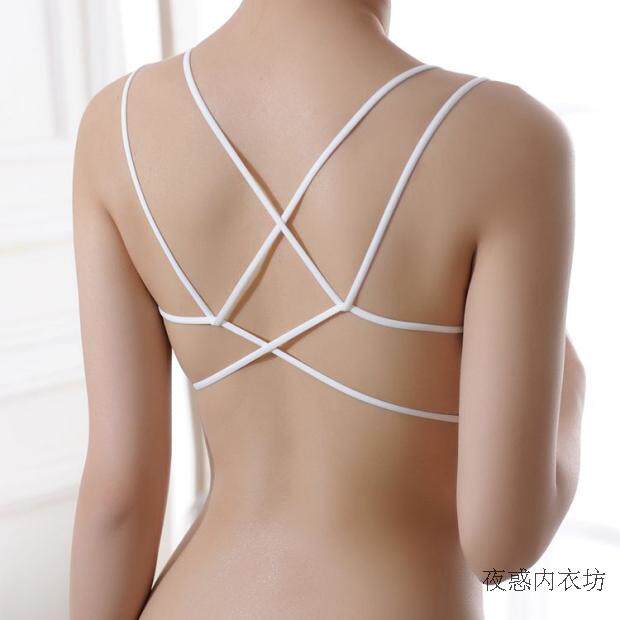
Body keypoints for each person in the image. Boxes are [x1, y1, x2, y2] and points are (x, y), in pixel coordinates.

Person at [69, 1, 585, 618]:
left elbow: (119, 498)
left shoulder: (117, 125)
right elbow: (503, 550)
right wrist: (571, 387)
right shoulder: (507, 136)